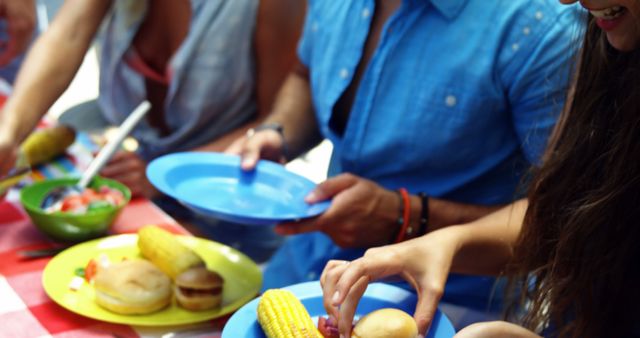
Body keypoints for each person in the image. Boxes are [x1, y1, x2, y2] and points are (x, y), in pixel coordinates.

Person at [229, 0, 580, 325]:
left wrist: (406, 218)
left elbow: (564, 220)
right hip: (301, 275)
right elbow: (305, 75)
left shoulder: (543, 27)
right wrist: (278, 131)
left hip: (446, 310)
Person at [320, 0, 640, 336]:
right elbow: (573, 204)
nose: (567, 0)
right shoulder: (608, 49)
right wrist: (450, 242)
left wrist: (412, 218)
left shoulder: (540, 27)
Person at [0, 0, 305, 260]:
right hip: (133, 181)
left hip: (225, 205)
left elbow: (277, 122)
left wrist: (162, 173)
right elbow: (67, 35)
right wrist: (9, 131)